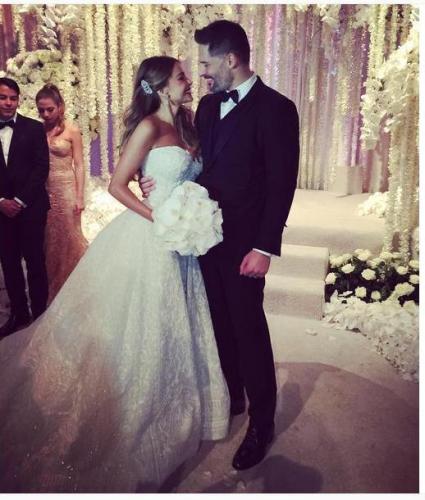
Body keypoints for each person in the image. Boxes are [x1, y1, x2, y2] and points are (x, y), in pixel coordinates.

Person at [0, 56, 229, 493]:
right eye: (181, 76)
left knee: (177, 323)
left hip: (182, 239)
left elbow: (190, 176)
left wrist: (188, 210)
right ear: (160, 86)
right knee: (145, 324)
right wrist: (159, 216)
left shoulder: (189, 125)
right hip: (152, 236)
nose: (189, 81)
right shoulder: (148, 127)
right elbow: (117, 185)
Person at [141, 20, 300, 470]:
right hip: (202, 237)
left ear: (231, 59)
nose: (202, 73)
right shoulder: (209, 107)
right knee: (218, 325)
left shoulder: (277, 109)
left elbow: (281, 183)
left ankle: (262, 422)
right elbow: (192, 163)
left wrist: (264, 248)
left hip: (245, 244)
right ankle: (232, 395)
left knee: (249, 329)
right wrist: (152, 182)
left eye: (207, 63)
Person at [0, 77, 50, 338]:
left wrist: (19, 201)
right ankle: (19, 314)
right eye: (2, 97)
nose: (8, 103)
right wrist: (1, 202)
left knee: (35, 262)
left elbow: (42, 168)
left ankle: (40, 316)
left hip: (31, 207)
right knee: (9, 264)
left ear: (18, 100)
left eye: (13, 98)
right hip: (1, 212)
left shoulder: (34, 128)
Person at [36, 84, 88, 302]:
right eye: (41, 110)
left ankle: (75, 288)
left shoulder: (72, 130)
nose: (46, 114)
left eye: (50, 109)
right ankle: (52, 288)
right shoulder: (37, 129)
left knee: (70, 237)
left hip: (66, 190)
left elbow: (80, 164)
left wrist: (79, 196)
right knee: (49, 241)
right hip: (43, 192)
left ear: (60, 107)